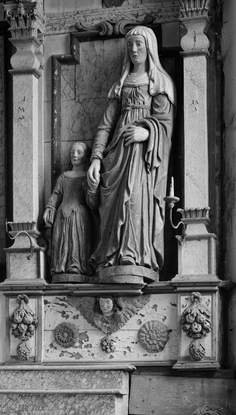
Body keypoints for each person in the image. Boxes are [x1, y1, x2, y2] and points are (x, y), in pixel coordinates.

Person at [86, 26, 175, 283]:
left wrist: (147, 133)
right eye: (130, 45)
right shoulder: (121, 84)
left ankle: (136, 256)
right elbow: (105, 125)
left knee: (135, 200)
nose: (134, 50)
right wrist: (96, 159)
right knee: (112, 206)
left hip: (143, 157)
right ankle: (111, 258)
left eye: (139, 44)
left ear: (149, 47)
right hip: (117, 154)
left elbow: (166, 125)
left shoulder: (160, 82)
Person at [43, 142, 94, 282]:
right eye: (72, 152)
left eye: (79, 152)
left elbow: (92, 200)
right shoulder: (64, 177)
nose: (74, 155)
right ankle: (60, 266)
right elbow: (56, 194)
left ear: (86, 156)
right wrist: (49, 207)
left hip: (79, 215)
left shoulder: (87, 176)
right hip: (61, 215)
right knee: (62, 241)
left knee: (76, 241)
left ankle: (77, 267)